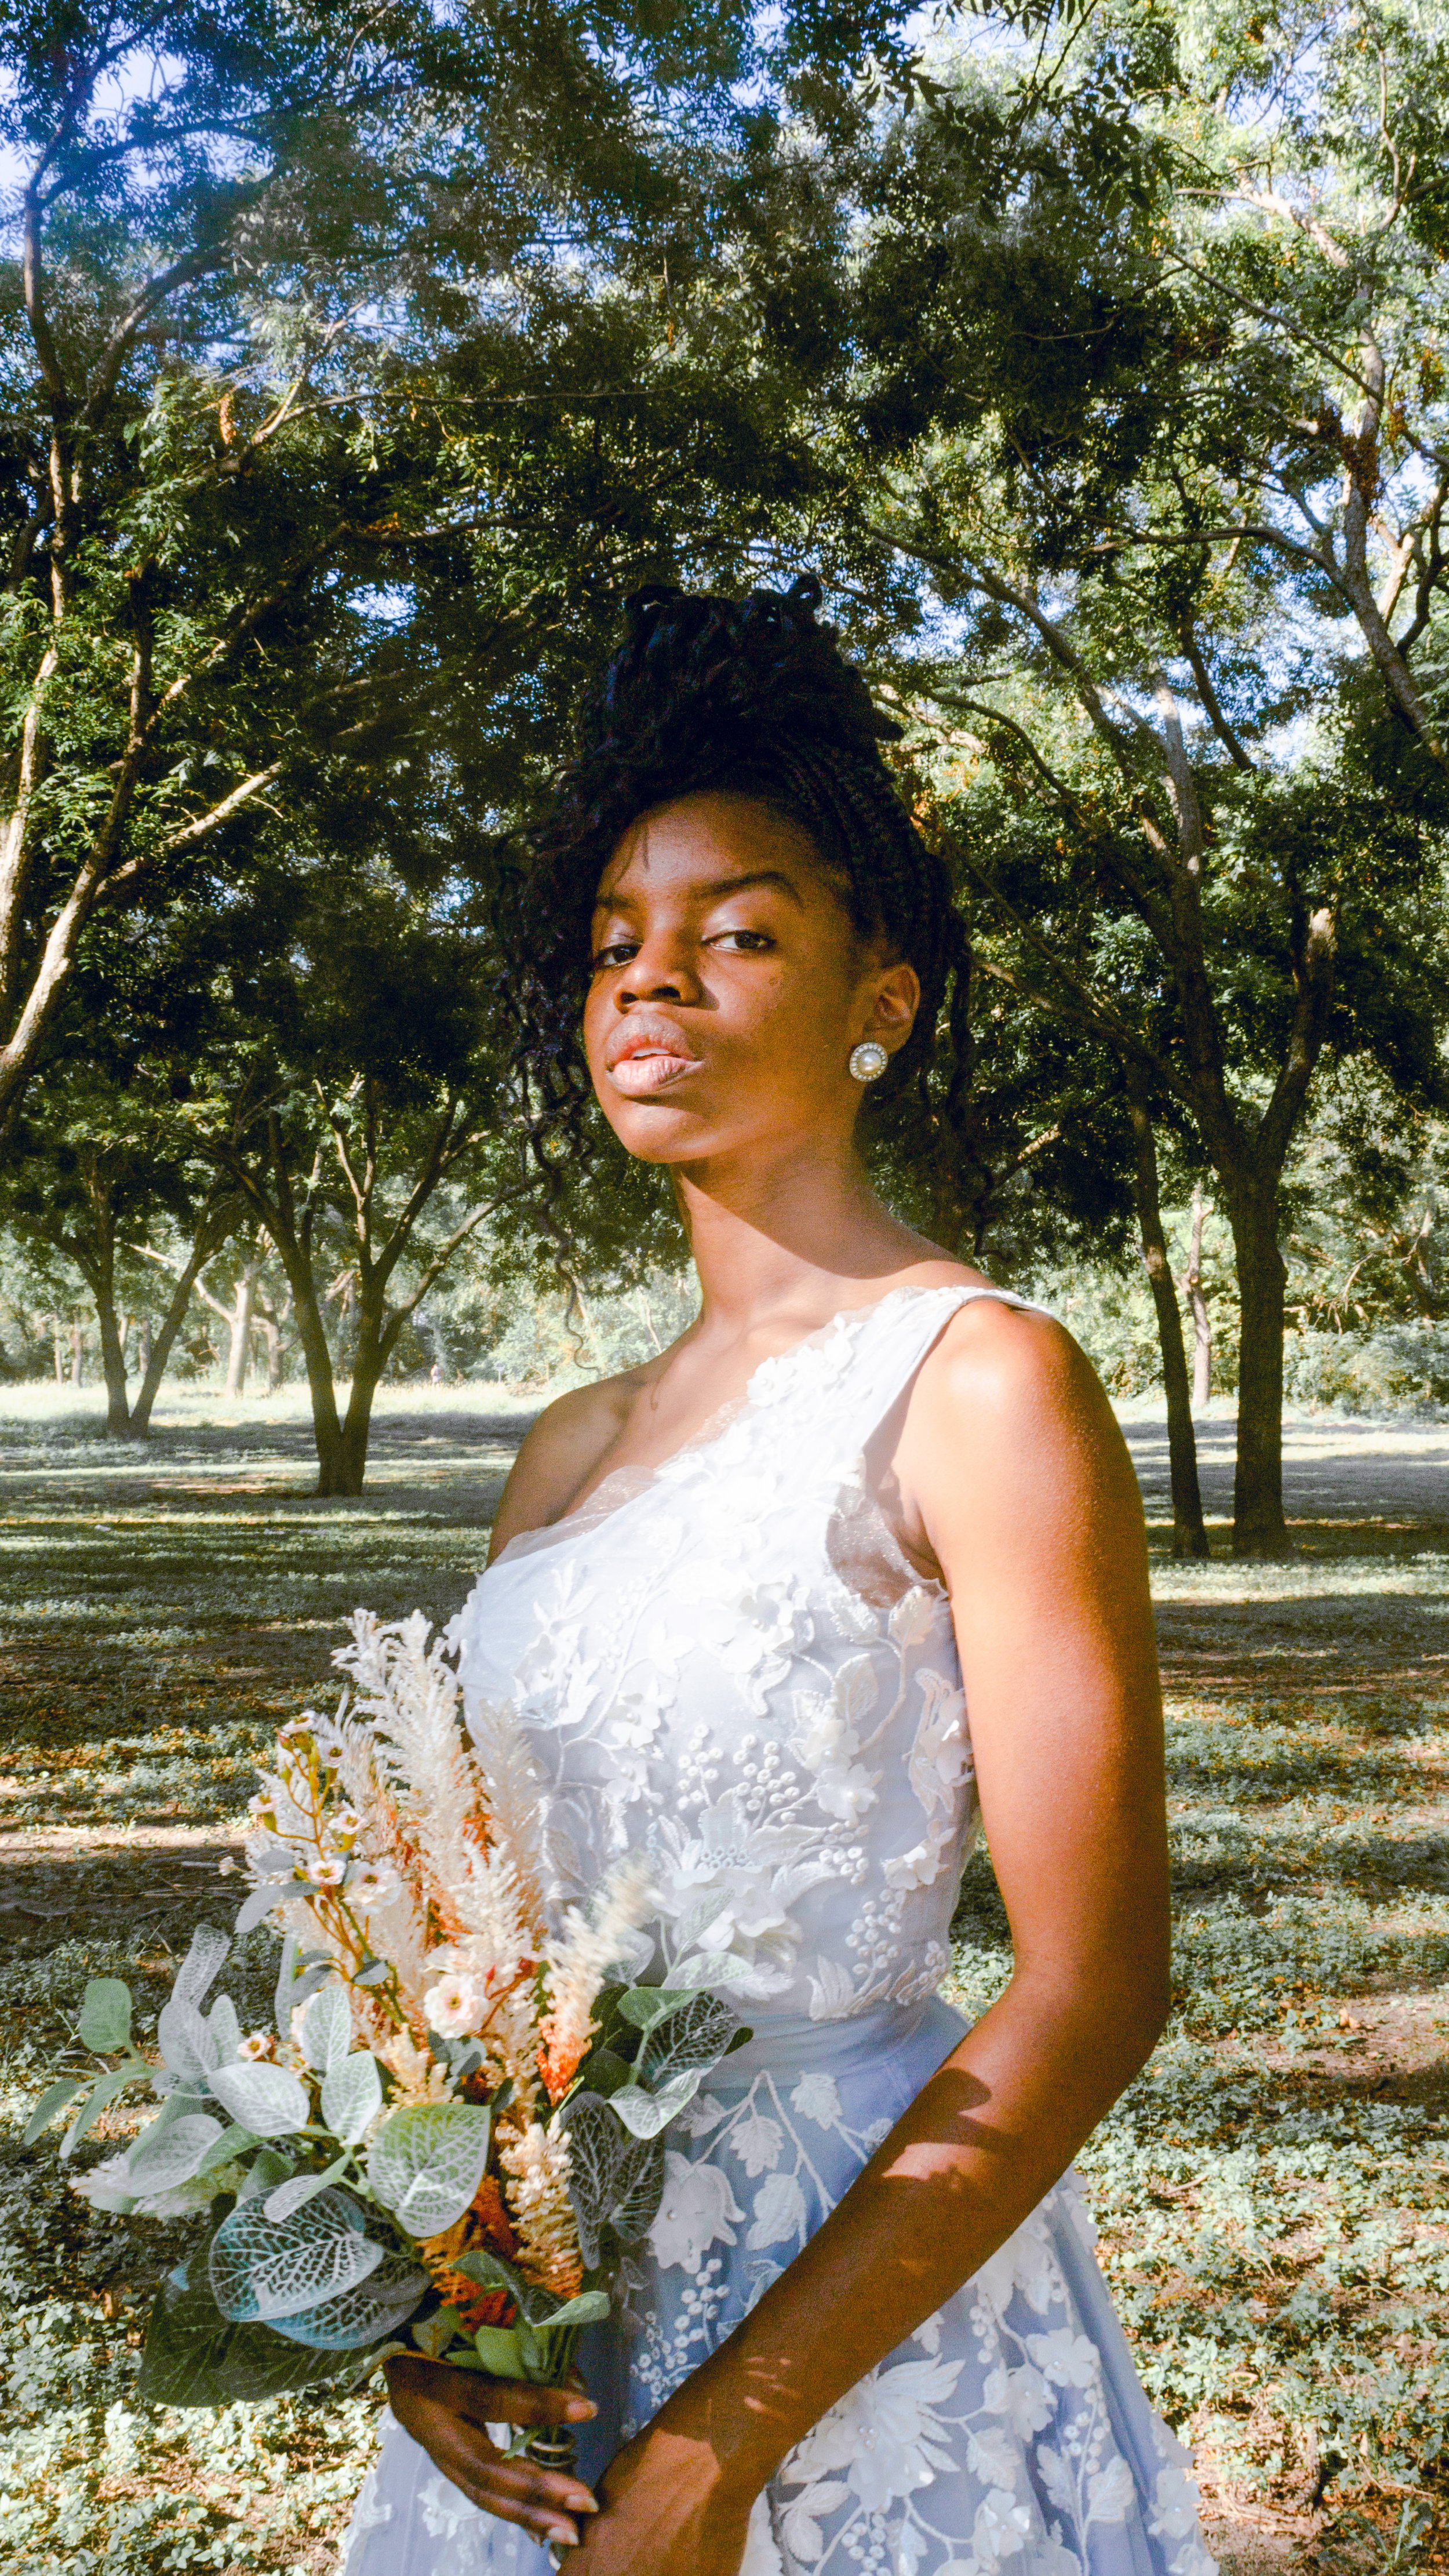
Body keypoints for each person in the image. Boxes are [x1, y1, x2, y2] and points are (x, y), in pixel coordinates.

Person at [340, 579, 1215, 2576]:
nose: (654, 988)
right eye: (614, 947)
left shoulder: (978, 1382)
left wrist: (730, 2437)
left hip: (859, 2326)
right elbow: (464, 1967)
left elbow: (1092, 1984)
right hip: (551, 2343)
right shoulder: (567, 1444)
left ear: (878, 1001)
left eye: (737, 933)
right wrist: (432, 2313)